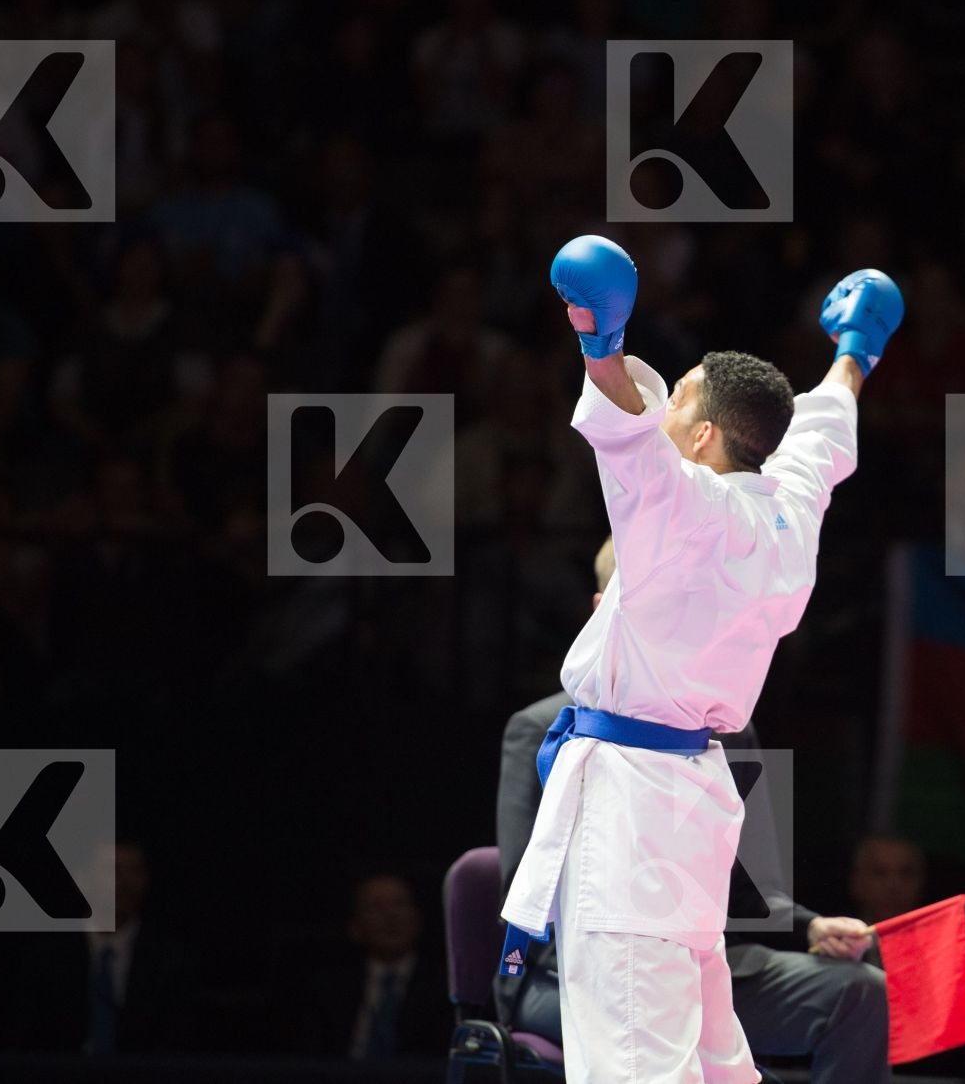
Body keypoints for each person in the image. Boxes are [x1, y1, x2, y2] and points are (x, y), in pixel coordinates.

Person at [498, 235, 902, 1084]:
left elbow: (622, 426)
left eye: (677, 399)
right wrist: (854, 352)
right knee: (709, 1062)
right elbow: (824, 428)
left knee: (636, 1064)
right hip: (691, 806)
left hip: (634, 814)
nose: (666, 407)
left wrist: (597, 336)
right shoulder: (789, 510)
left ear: (705, 434)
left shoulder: (683, 506)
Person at [497, 537, 892, 1083]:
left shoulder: (729, 721)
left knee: (857, 989)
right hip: (576, 966)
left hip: (713, 959)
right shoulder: (539, 727)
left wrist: (812, 926)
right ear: (606, 608)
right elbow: (524, 880)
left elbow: (752, 884)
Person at [8, 840, 196, 1054]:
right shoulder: (45, 958)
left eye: (135, 870)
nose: (124, 882)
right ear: (81, 879)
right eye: (112, 870)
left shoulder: (172, 961)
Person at [292, 872, 448, 1058]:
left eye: (400, 904)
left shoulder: (447, 986)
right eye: (376, 907)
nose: (391, 916)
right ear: (354, 927)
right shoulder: (327, 988)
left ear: (417, 919)